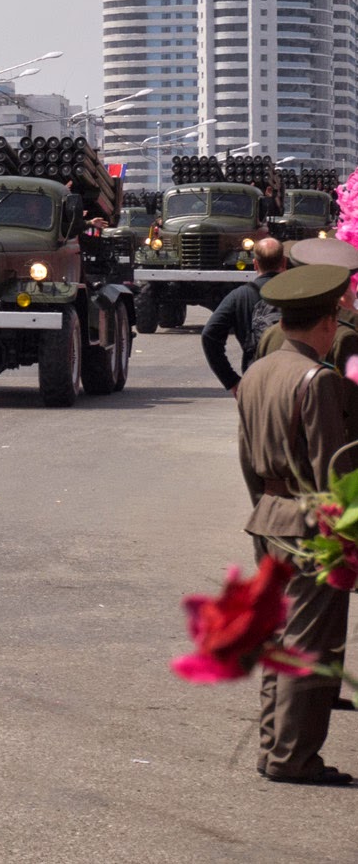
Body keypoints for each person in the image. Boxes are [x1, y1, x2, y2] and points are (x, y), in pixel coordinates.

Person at [236, 263, 353, 785]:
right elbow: (336, 474)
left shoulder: (258, 372)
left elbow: (245, 457)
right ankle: (294, 757)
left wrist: (265, 505)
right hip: (311, 527)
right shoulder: (318, 380)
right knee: (312, 643)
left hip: (268, 517)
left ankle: (273, 746)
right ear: (327, 323)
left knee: (282, 638)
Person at [201, 236, 285, 395]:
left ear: (255, 264)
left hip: (255, 379)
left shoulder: (239, 296)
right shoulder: (298, 292)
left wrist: (231, 380)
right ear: (284, 262)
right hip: (292, 379)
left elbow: (209, 335)